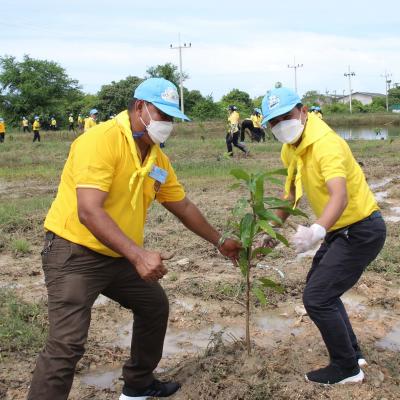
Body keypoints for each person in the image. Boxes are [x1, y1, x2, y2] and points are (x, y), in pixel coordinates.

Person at [27, 77, 241, 400]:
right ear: (140, 107)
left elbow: (182, 206)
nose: (167, 124)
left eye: (172, 118)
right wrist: (138, 255)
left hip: (117, 254)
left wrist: (220, 240)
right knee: (67, 344)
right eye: (162, 114)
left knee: (153, 305)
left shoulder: (156, 158)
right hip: (74, 252)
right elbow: (89, 211)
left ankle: (138, 384)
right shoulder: (100, 141)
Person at [261, 86, 386, 385]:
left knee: (317, 297)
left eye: (286, 116)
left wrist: (317, 230)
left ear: (303, 111)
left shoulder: (325, 143)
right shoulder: (291, 148)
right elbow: (290, 193)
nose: (281, 125)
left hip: (361, 229)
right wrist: (271, 228)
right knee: (320, 289)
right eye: (273, 121)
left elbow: (339, 196)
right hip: (341, 231)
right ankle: (353, 354)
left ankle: (346, 368)